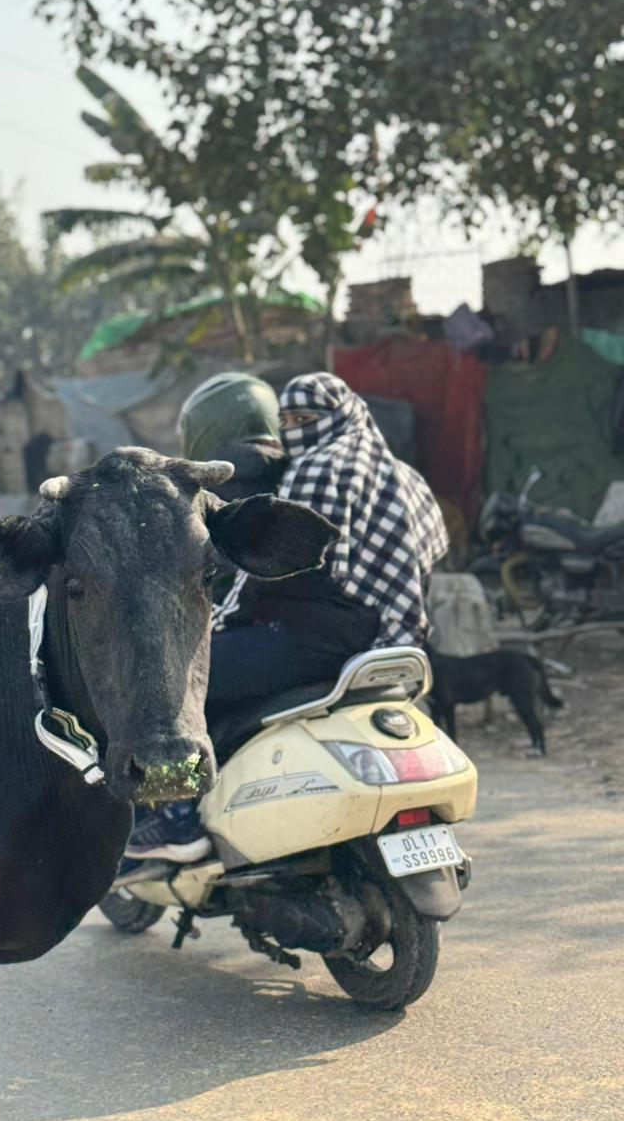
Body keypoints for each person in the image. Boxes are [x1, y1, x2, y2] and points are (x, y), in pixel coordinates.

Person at [122, 370, 448, 865]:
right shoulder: (398, 471)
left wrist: (207, 630)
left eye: (305, 418)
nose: (296, 429)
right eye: (289, 419)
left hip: (313, 636)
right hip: (386, 634)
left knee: (181, 683)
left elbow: (259, 574)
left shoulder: (302, 473)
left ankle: (178, 813)